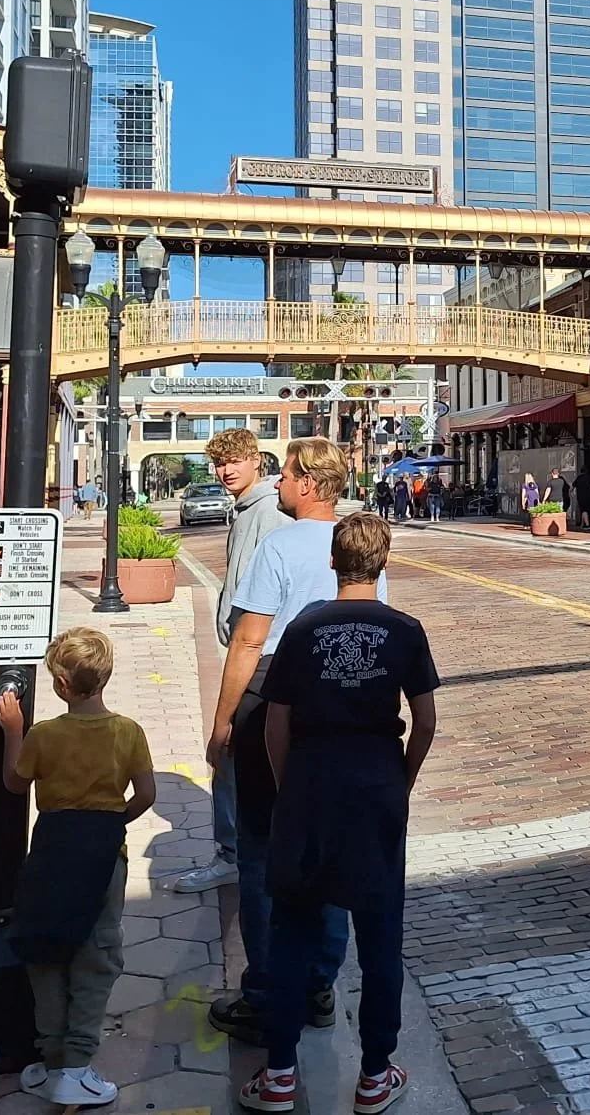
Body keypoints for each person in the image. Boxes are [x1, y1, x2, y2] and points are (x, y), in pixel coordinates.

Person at [238, 512, 437, 1115]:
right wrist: (402, 780)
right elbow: (425, 722)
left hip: (310, 780)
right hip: (375, 781)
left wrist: (287, 785)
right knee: (380, 936)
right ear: (383, 562)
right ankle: (375, 1074)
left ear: (333, 561)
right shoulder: (404, 629)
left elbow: (275, 722)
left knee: (292, 927)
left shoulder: (303, 627)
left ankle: (278, 1072)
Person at [207, 438, 388, 1047]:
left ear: (308, 483)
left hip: (273, 692)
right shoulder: (355, 547)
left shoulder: (279, 544)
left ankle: (265, 990)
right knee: (327, 844)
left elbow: (248, 640)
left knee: (262, 850)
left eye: (284, 474)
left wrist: (222, 722)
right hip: (340, 694)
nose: (278, 484)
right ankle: (318, 983)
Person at [0, 627, 155, 1109]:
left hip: (51, 852)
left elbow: (14, 784)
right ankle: (78, 1065)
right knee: (96, 952)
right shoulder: (127, 732)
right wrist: (112, 822)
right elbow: (146, 795)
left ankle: (51, 1058)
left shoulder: (44, 735)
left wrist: (13, 730)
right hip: (104, 857)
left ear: (61, 685)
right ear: (106, 677)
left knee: (45, 949)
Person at [170, 429, 291, 896]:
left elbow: (265, 589)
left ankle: (236, 854)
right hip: (254, 646)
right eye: (220, 463)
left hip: (258, 651)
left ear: (257, 460)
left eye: (235, 460)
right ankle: (243, 849)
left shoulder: (267, 511)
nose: (226, 470)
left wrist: (244, 640)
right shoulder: (246, 508)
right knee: (242, 753)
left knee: (229, 747)